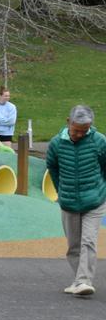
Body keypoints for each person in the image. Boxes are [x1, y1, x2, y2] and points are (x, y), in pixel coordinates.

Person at [46, 104, 106, 298]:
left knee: (88, 241)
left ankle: (83, 281)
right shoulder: (56, 144)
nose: (80, 134)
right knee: (74, 245)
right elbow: (53, 169)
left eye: (84, 130)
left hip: (94, 199)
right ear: (68, 122)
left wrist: (101, 189)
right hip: (69, 201)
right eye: (76, 130)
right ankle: (78, 279)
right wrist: (61, 191)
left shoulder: (99, 141)